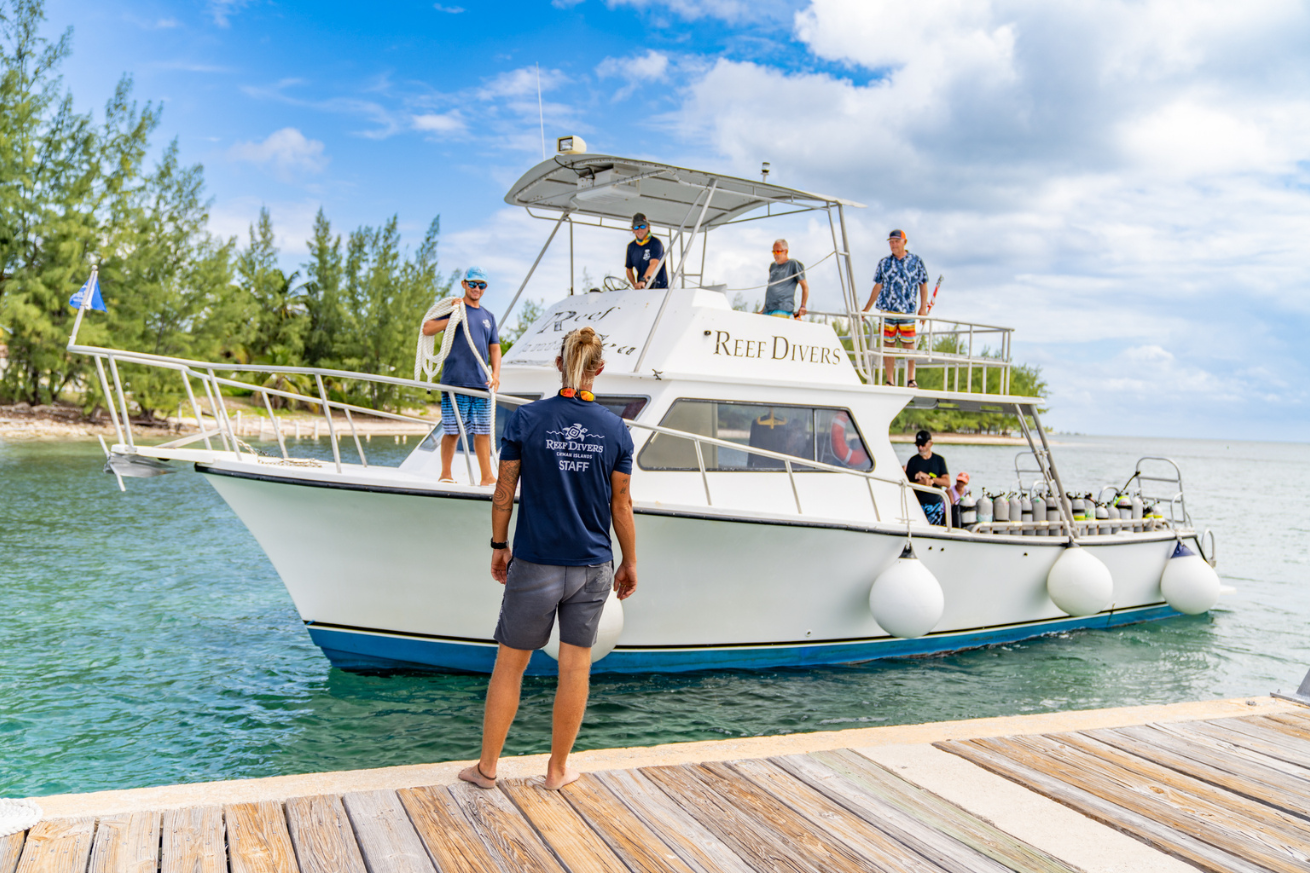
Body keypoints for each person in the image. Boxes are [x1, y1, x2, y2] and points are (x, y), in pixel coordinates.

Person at [460, 326, 638, 792]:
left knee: (511, 665)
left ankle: (487, 769)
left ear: (559, 363)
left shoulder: (526, 420)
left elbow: (504, 491)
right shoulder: (616, 430)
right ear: (599, 369)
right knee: (575, 667)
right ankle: (558, 771)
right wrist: (630, 561)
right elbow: (622, 504)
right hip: (593, 566)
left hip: (535, 562)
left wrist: (499, 546)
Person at [422, 266, 502, 485]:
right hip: (455, 381)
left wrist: (495, 374)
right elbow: (427, 329)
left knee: (483, 432)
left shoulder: (489, 317)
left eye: (481, 285)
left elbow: (495, 348)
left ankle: (487, 477)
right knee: (452, 430)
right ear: (464, 284)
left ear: (485, 288)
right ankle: (445, 474)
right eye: (473, 283)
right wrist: (454, 317)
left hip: (480, 382)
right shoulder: (454, 309)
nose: (476, 288)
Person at [862, 230, 928, 387]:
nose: (893, 244)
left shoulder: (916, 261)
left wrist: (923, 307)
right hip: (887, 310)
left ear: (904, 242)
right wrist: (866, 308)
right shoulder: (884, 263)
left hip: (907, 310)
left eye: (896, 241)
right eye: (891, 242)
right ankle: (890, 379)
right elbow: (878, 285)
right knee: (888, 344)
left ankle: (911, 378)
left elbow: (923, 284)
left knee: (909, 344)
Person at [904, 429, 949, 525]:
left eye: (923, 445)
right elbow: (907, 486)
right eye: (917, 445)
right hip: (917, 505)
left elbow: (947, 483)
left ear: (930, 444)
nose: (920, 448)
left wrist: (930, 478)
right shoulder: (913, 461)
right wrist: (922, 483)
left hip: (935, 506)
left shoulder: (939, 460)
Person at [761, 239, 808, 318]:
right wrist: (763, 309)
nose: (775, 255)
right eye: (773, 252)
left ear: (786, 251)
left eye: (778, 252)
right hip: (768, 309)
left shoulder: (793, 264)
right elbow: (770, 289)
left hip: (782, 308)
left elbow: (805, 286)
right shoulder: (773, 266)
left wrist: (803, 306)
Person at [625, 213, 668, 290]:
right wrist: (635, 284)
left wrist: (644, 280)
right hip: (643, 289)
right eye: (636, 227)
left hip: (659, 289)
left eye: (642, 226)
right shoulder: (631, 247)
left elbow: (654, 264)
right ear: (632, 229)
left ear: (648, 227)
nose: (639, 230)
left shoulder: (655, 243)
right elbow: (629, 269)